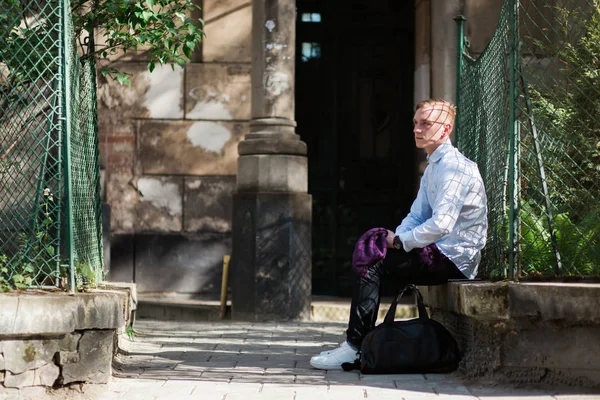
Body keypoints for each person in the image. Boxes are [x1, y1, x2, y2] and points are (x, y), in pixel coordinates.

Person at [310, 98, 488, 370]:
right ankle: (357, 345)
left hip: (454, 259)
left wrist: (402, 242)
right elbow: (417, 215)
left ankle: (355, 347)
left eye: (426, 123)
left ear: (445, 128)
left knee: (373, 262)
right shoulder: (433, 168)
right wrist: (396, 241)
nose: (417, 129)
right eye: (415, 123)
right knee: (375, 248)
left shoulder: (454, 168)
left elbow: (442, 224)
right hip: (438, 252)